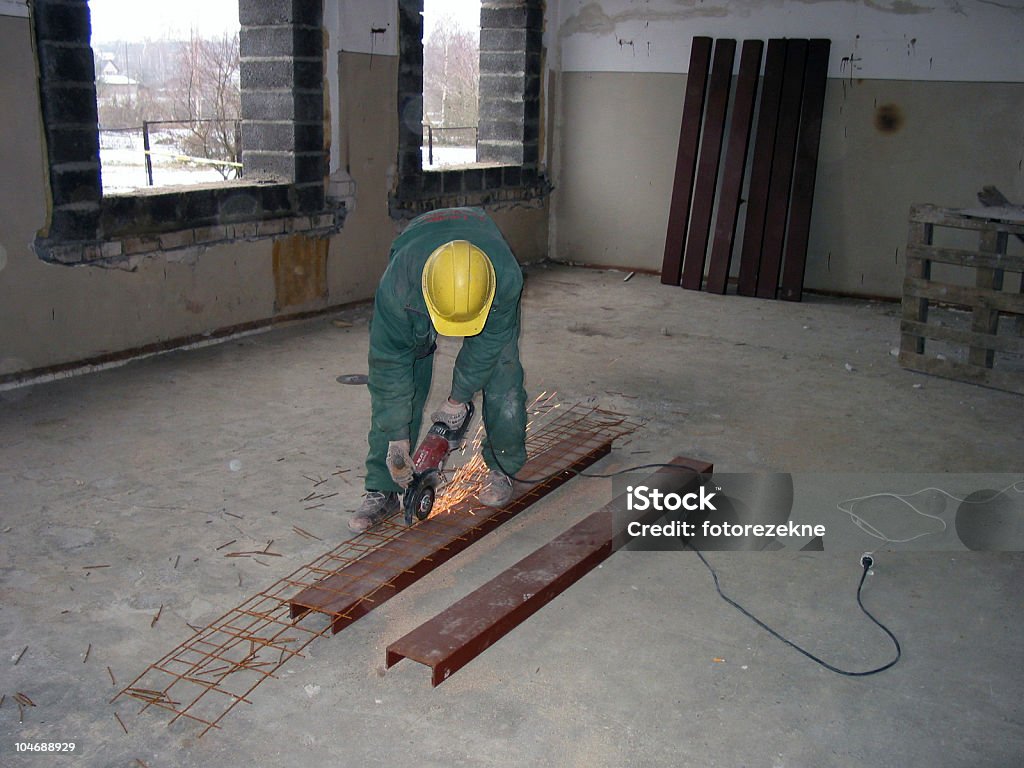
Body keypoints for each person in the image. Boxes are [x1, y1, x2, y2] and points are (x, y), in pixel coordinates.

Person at [348, 207, 527, 533]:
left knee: (503, 370)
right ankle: (382, 488)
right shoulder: (399, 287)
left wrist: (457, 402)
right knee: (404, 377)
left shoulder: (505, 276)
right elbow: (390, 368)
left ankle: (502, 466)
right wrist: (398, 441)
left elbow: (487, 346)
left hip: (482, 247)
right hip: (417, 251)